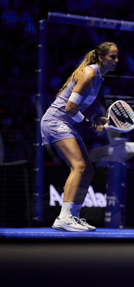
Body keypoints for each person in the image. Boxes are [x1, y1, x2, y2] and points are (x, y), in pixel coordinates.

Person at [40, 42, 119, 232]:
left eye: (117, 57)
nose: (116, 60)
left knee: (88, 170)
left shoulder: (99, 78)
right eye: (112, 57)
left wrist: (94, 117)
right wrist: (92, 125)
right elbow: (69, 108)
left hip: (68, 123)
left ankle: (73, 215)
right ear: (101, 57)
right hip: (55, 121)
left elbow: (79, 107)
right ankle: (64, 217)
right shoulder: (89, 73)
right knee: (79, 166)